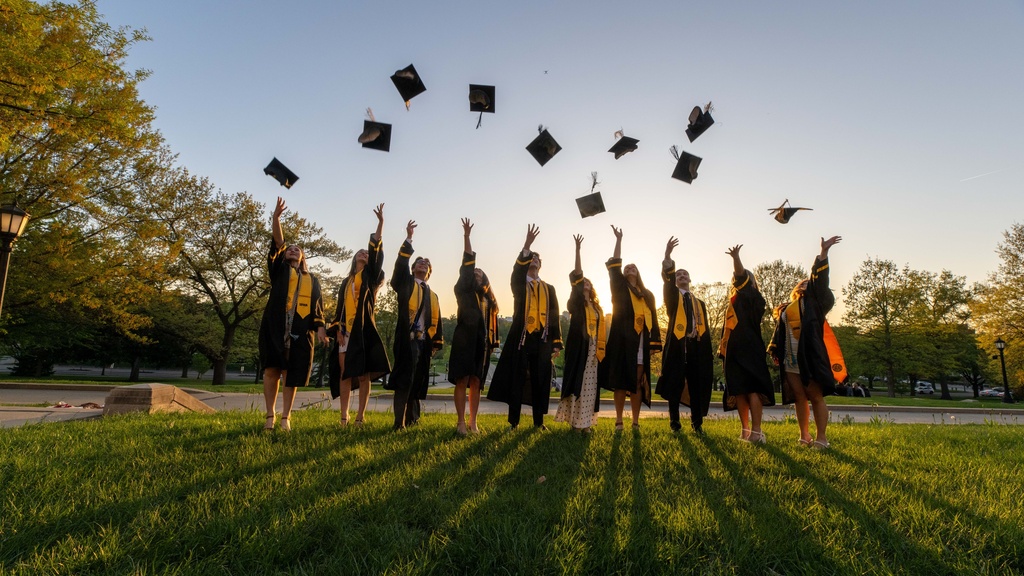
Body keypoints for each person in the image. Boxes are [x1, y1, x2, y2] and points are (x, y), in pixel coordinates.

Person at [258, 197, 329, 431]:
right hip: (276, 325)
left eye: (297, 249)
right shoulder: (279, 270)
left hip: (300, 330)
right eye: (290, 249)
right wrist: (276, 218)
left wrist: (321, 330)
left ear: (303, 257)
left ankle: (286, 416)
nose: (292, 250)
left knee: (291, 373)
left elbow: (318, 308)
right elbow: (278, 241)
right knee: (272, 369)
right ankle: (270, 415)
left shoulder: (312, 280)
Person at [768, 235, 843, 449]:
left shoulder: (816, 305)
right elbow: (778, 332)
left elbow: (820, 281)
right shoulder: (787, 309)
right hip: (791, 358)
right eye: (802, 283)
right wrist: (774, 350)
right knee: (799, 397)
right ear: (795, 289)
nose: (805, 284)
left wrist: (823, 253)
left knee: (815, 396)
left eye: (808, 282)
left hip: (810, 356)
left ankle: (822, 438)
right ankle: (804, 436)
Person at [487, 224, 563, 430]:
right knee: (517, 379)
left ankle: (539, 422)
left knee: (540, 380)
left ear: (541, 265)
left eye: (537, 259)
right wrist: (527, 246)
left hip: (542, 338)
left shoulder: (549, 289)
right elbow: (517, 271)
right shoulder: (519, 284)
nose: (534, 260)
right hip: (521, 337)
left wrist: (556, 342)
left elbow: (555, 315)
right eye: (531, 258)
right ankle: (514, 422)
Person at [328, 204, 391, 426]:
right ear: (354, 258)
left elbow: (376, 253)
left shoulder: (372, 277)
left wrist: (380, 225)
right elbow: (338, 309)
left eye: (367, 252)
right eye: (361, 252)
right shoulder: (346, 282)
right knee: (345, 373)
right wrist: (336, 330)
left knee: (364, 375)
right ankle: (343, 417)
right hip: (346, 331)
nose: (364, 253)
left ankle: (360, 417)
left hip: (364, 330)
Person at [602, 226, 662, 430]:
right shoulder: (619, 288)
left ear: (638, 273)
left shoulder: (648, 294)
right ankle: (619, 420)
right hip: (622, 341)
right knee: (620, 381)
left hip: (641, 342)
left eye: (633, 267)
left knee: (637, 381)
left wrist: (654, 343)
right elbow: (615, 266)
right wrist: (619, 240)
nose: (629, 269)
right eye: (627, 268)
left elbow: (653, 318)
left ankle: (635, 421)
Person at [387, 219, 443, 430]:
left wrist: (436, 343)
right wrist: (409, 239)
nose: (423, 264)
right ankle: (398, 423)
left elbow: (438, 323)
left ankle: (413, 420)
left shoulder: (433, 295)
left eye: (427, 264)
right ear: (412, 270)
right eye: (419, 262)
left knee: (417, 381)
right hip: (407, 338)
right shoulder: (404, 284)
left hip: (424, 342)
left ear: (429, 272)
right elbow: (400, 265)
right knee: (404, 380)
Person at [447, 218, 500, 435]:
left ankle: (473, 422)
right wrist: (467, 237)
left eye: (480, 274)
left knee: (477, 381)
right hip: (464, 339)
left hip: (482, 342)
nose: (476, 274)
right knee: (462, 380)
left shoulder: (488, 302)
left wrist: (491, 343)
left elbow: (492, 324)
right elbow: (467, 264)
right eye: (474, 273)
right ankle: (460, 422)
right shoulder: (463, 289)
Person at [656, 237, 713, 434]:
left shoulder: (700, 304)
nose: (681, 275)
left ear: (690, 279)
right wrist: (668, 256)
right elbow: (668, 278)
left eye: (685, 274)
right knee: (675, 386)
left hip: (696, 349)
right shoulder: (673, 298)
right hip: (677, 348)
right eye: (678, 274)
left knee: (696, 387)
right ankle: (675, 424)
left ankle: (697, 425)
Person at [720, 244, 775, 443]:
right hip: (734, 349)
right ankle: (745, 431)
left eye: (741, 279)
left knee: (752, 389)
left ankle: (757, 432)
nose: (736, 281)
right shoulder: (732, 302)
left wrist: (736, 258)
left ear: (750, 282)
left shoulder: (755, 298)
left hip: (750, 348)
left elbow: (741, 278)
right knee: (739, 389)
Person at [554, 234, 606, 432]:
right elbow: (577, 274)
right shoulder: (576, 303)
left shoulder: (597, 307)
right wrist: (578, 250)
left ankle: (587, 423)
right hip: (579, 349)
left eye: (588, 282)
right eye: (582, 282)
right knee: (579, 384)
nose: (585, 283)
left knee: (591, 387)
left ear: (592, 287)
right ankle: (576, 423)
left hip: (594, 350)